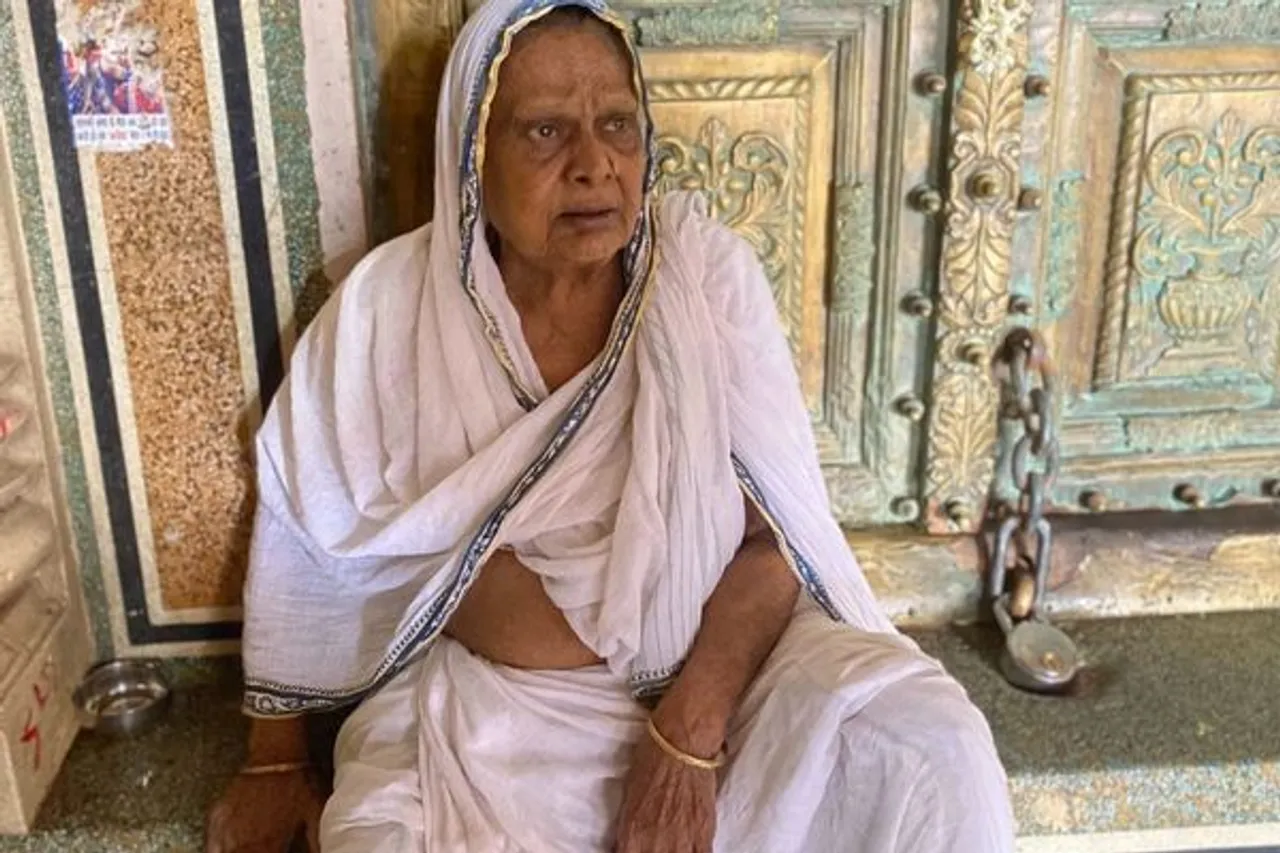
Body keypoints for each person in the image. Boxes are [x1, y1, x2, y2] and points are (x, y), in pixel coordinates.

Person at [206, 1, 1015, 850]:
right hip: (490, 706)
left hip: (730, 684)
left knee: (932, 747)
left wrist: (688, 737)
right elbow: (305, 531)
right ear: (472, 151)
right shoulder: (389, 309)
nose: (596, 164)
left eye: (618, 124)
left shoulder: (703, 278)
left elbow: (779, 538)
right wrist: (272, 759)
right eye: (546, 131)